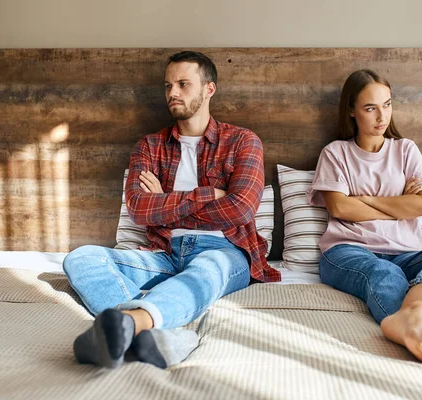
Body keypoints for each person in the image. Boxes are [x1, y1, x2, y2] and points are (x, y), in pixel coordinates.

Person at [63, 51, 280, 369]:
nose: (172, 93)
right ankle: (143, 333)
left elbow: (242, 209)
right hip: (164, 253)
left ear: (209, 89)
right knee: (81, 258)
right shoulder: (149, 146)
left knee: (207, 271)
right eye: (168, 86)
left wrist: (165, 201)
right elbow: (138, 208)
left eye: (183, 84)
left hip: (225, 249)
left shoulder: (242, 141)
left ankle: (133, 324)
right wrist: (206, 195)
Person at [307, 69, 422, 369]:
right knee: (384, 273)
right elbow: (340, 209)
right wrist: (399, 203)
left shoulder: (405, 149)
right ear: (352, 112)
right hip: (348, 251)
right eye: (370, 108)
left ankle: (417, 317)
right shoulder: (336, 153)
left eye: (387, 104)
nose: (381, 116)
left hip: (409, 251)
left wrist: (365, 199)